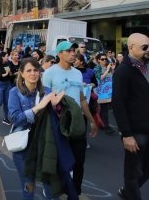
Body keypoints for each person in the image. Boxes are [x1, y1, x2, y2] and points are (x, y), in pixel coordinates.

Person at [42, 41, 98, 196]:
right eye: (69, 50)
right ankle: (56, 189)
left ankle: (75, 193)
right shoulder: (49, 73)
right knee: (61, 162)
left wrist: (92, 121)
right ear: (60, 54)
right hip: (59, 123)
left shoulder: (77, 73)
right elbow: (43, 100)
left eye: (74, 50)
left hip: (78, 124)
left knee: (79, 162)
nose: (74, 53)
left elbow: (81, 100)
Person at [8, 58, 60, 200]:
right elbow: (15, 118)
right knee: (28, 186)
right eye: (29, 70)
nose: (33, 73)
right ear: (22, 73)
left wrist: (57, 108)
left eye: (36, 70)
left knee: (50, 187)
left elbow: (56, 121)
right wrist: (37, 108)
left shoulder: (48, 91)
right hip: (23, 149)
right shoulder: (15, 92)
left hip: (45, 147)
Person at [112, 33, 149, 200]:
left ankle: (128, 192)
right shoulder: (123, 71)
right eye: (145, 47)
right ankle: (131, 194)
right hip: (136, 132)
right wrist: (127, 135)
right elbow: (118, 105)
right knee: (132, 172)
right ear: (131, 48)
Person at [94, 53, 115, 134]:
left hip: (109, 92)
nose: (104, 61)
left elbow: (113, 76)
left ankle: (101, 124)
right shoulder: (97, 68)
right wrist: (107, 70)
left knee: (103, 110)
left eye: (105, 59)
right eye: (102, 59)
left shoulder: (108, 67)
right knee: (104, 110)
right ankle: (107, 127)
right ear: (98, 60)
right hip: (101, 92)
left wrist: (112, 69)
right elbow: (100, 78)